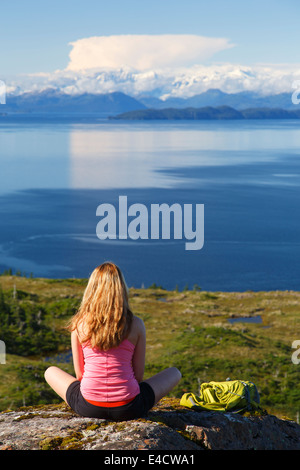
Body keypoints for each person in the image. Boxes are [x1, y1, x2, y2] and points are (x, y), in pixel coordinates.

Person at [44, 262, 181, 420]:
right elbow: (138, 376)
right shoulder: (136, 324)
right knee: (175, 373)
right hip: (130, 407)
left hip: (88, 406)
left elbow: (80, 375)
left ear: (92, 289)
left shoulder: (79, 324)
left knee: (50, 371)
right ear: (121, 288)